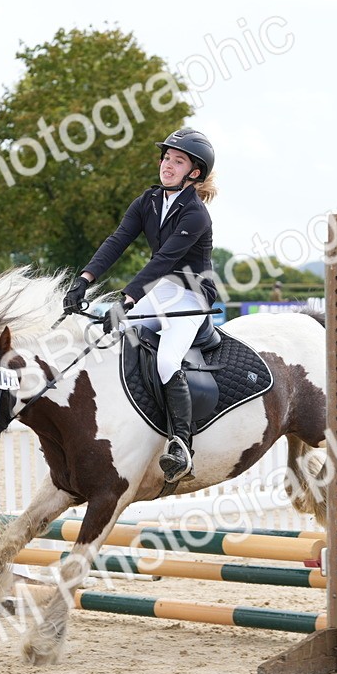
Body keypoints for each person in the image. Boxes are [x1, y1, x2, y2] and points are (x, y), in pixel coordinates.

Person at [62, 127, 217, 483]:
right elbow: (117, 241)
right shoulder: (147, 201)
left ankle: (181, 445)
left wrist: (128, 299)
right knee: (116, 342)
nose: (167, 165)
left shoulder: (196, 214)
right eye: (166, 158)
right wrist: (83, 279)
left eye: (178, 162)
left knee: (166, 360)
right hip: (161, 290)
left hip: (192, 294)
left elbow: (163, 259)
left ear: (194, 173)